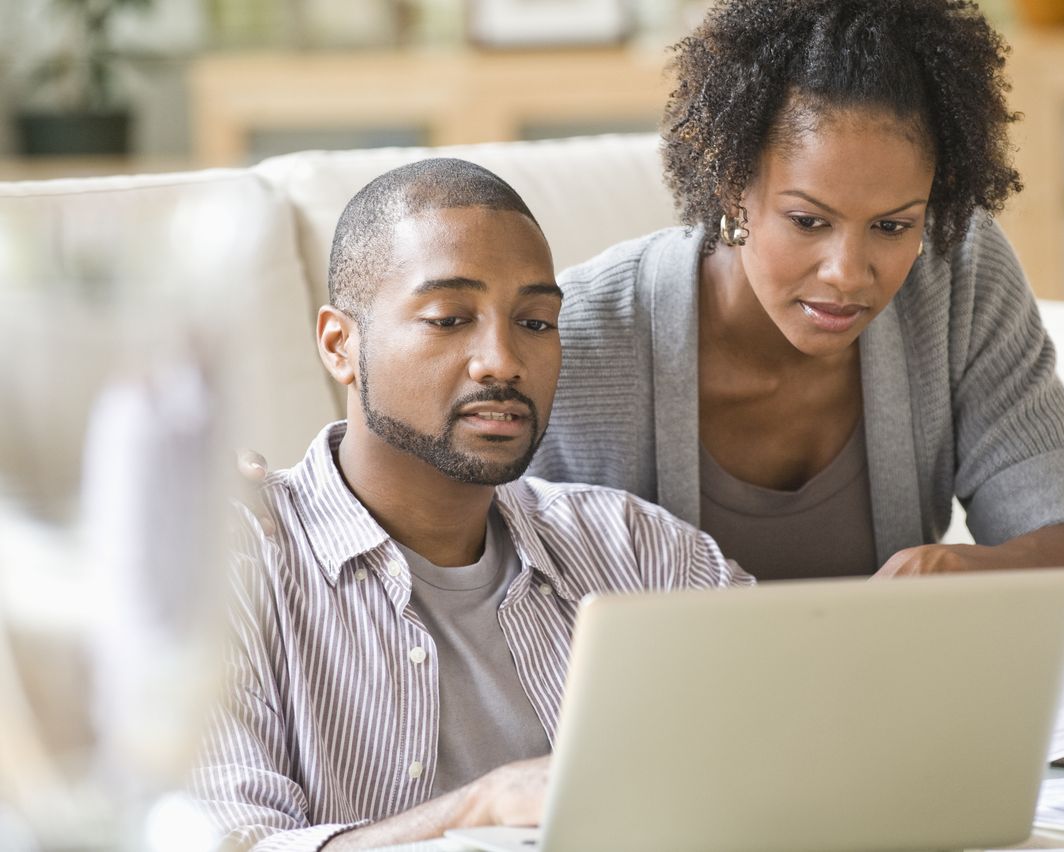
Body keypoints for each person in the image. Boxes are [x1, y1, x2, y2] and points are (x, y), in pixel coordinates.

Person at [240, 0, 1064, 766]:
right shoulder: (565, 342)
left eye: (892, 224)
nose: (851, 274)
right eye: (806, 220)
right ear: (729, 183)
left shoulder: (957, 273)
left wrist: (985, 590)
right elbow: (440, 567)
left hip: (876, 747)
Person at [198, 158, 751, 850]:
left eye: (536, 322)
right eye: (449, 318)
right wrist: (479, 809)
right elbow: (226, 841)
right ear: (341, 345)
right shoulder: (229, 559)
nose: (503, 360)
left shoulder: (639, 549)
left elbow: (794, 756)